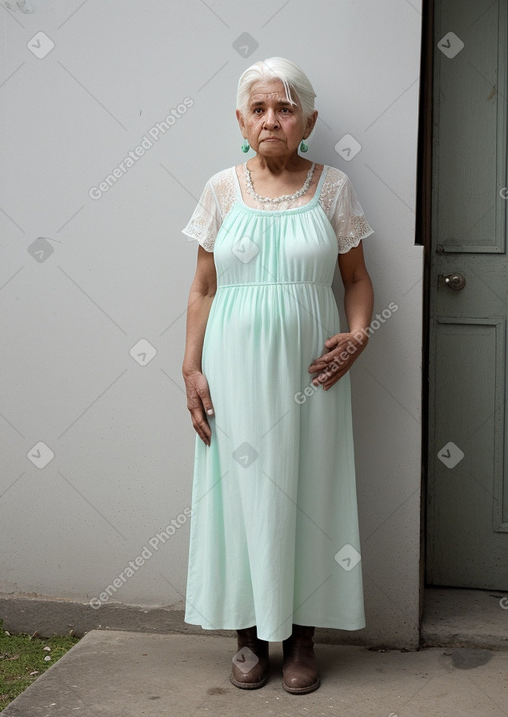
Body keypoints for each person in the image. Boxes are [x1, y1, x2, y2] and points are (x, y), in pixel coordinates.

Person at [181, 56, 375, 694]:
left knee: (309, 492)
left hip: (310, 376)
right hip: (232, 368)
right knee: (239, 494)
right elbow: (203, 287)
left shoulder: (334, 188)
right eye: (259, 108)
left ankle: (301, 641)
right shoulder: (220, 189)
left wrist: (357, 335)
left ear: (308, 121)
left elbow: (355, 280)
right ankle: (246, 635)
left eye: (285, 108)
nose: (272, 119)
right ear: (241, 119)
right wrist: (190, 367)